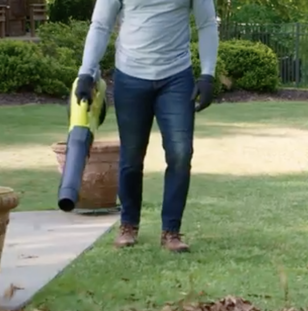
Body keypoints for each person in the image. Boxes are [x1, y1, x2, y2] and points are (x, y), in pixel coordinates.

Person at [75, 0, 219, 253]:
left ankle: (171, 232)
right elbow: (100, 24)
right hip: (130, 77)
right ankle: (128, 225)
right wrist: (86, 72)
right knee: (131, 157)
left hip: (176, 78)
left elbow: (207, 24)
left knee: (180, 153)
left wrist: (207, 74)